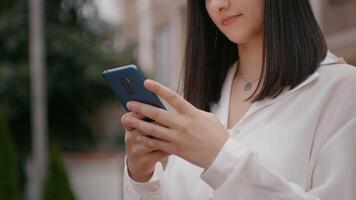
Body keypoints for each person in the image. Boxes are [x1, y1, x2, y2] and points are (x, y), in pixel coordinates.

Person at [121, 0, 356, 199]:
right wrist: (142, 180)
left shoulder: (341, 90)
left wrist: (222, 159)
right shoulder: (198, 103)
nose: (218, 4)